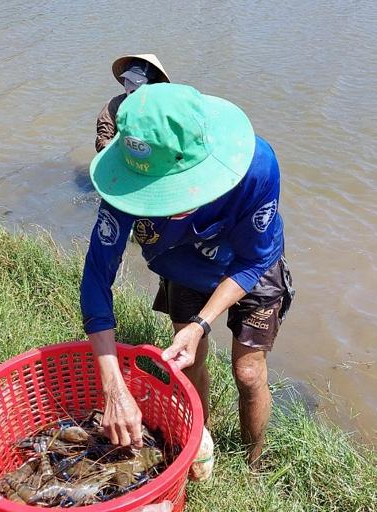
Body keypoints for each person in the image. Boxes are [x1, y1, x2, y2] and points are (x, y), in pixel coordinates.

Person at [81, 83, 295, 467]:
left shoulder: (256, 166)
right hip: (181, 264)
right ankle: (198, 444)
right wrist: (113, 387)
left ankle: (254, 462)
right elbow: (96, 279)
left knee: (247, 373)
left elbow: (253, 260)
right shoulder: (123, 183)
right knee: (188, 364)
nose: (165, 206)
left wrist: (200, 324)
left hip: (249, 263)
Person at [95, 54, 170, 153]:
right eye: (128, 80)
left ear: (150, 85)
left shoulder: (162, 105)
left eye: (135, 82)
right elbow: (102, 139)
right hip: (122, 154)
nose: (129, 86)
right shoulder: (113, 105)